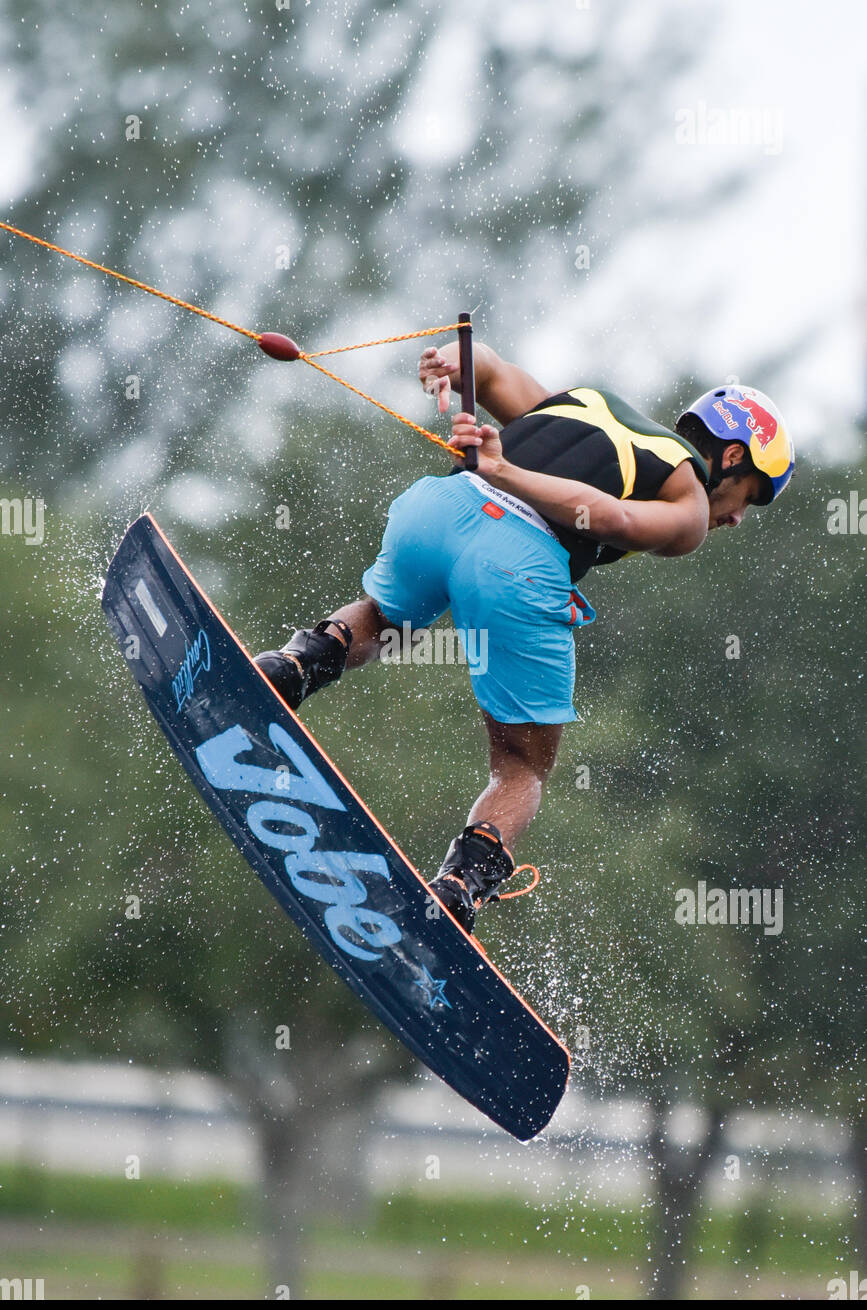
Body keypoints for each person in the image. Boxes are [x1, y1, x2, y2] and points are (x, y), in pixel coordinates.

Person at [255, 341, 794, 934]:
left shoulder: (591, 403)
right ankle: (458, 889)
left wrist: (454, 364)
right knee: (522, 766)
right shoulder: (688, 505)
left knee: (386, 619)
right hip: (516, 565)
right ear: (735, 456)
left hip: (436, 512)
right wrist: (508, 472)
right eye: (755, 495)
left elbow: (488, 368)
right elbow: (610, 518)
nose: (740, 517)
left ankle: (295, 665)